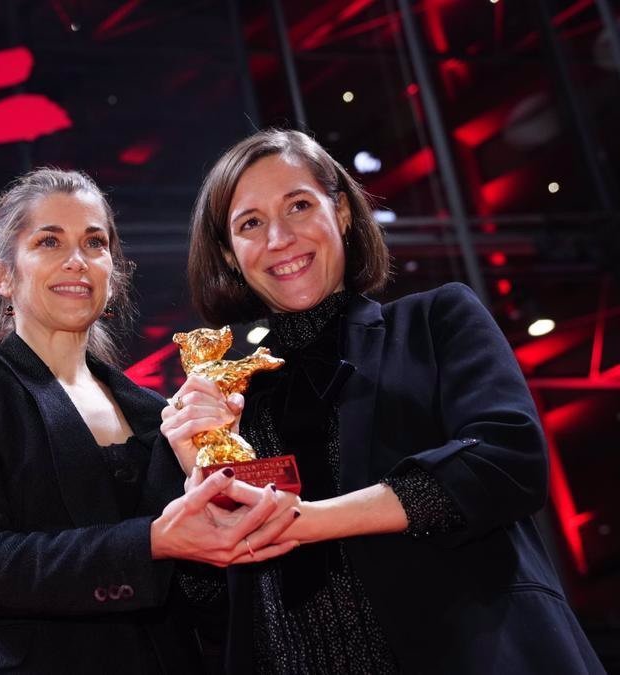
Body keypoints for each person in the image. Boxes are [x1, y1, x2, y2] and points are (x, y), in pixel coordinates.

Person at [160, 129, 605, 674]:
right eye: (250, 223)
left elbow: (507, 462)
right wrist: (200, 477)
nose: (278, 237)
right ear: (230, 254)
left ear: (341, 211)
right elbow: (212, 607)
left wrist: (311, 520)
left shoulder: (435, 321)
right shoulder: (231, 394)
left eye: (298, 205)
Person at [0, 168, 300, 674]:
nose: (77, 260)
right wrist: (152, 540)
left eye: (94, 242)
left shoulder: (161, 413)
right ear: (4, 275)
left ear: (111, 272)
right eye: (49, 241)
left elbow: (205, 598)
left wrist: (208, 486)